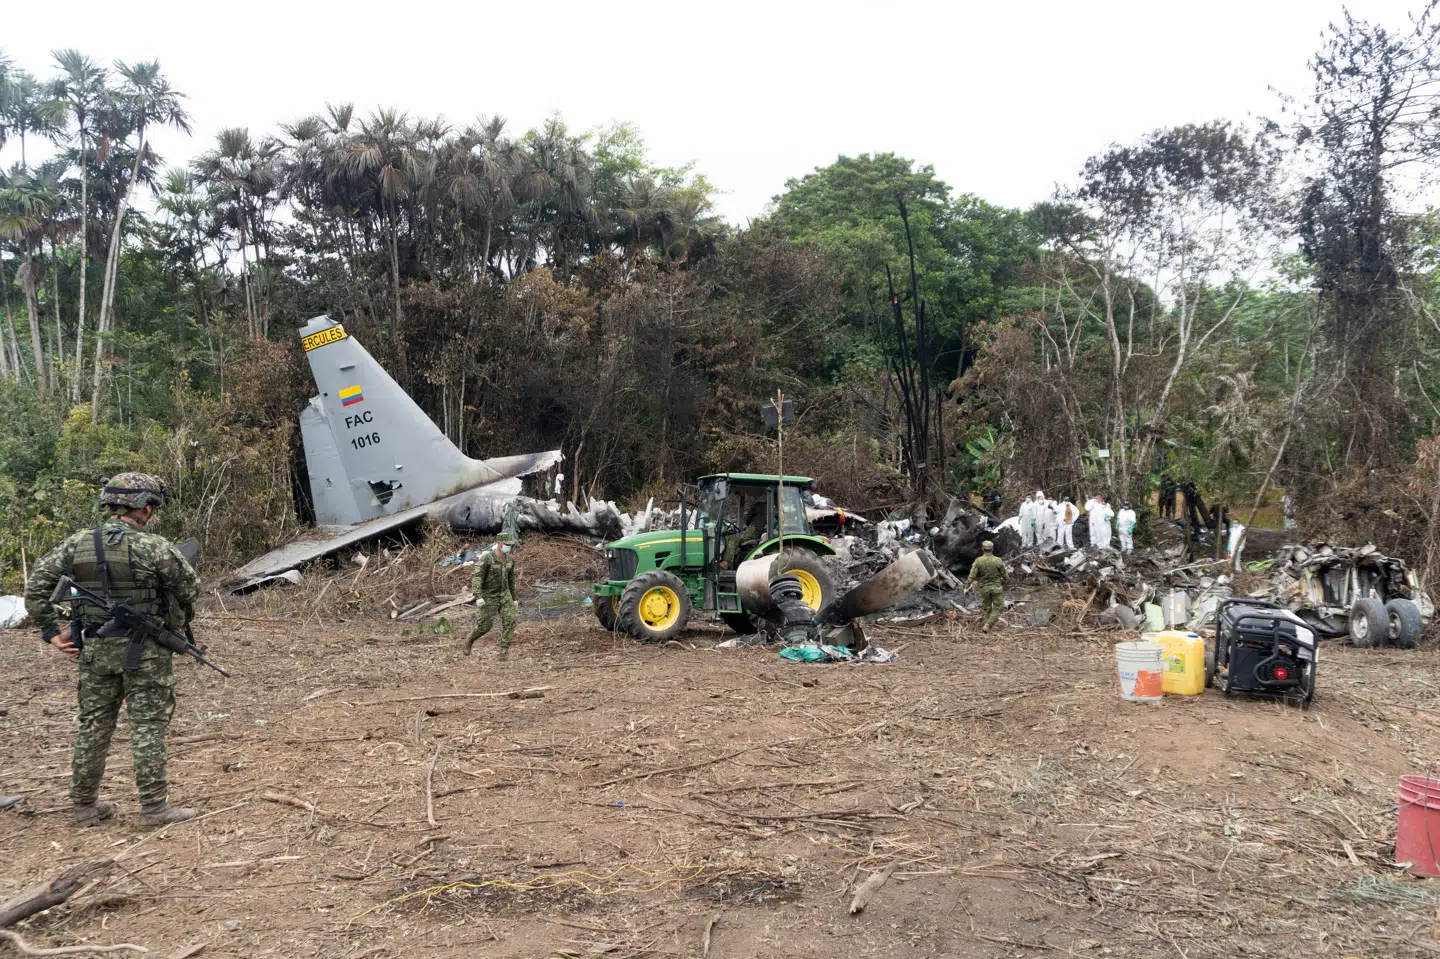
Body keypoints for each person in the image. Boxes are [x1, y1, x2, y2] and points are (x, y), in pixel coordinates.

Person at [23, 473, 200, 828]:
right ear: (145, 508)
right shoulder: (155, 547)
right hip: (146, 651)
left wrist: (51, 633)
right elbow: (190, 591)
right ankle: (153, 808)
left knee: (94, 725)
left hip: (95, 649)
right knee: (147, 726)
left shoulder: (76, 545)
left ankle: (84, 806)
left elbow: (35, 591)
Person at [463, 532, 519, 659]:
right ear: (499, 543)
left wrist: (514, 598)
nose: (508, 547)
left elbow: (511, 580)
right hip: (488, 596)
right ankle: (470, 638)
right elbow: (477, 576)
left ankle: (504, 651)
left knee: (511, 619)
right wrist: (478, 596)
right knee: (485, 626)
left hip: (504, 595)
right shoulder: (487, 558)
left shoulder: (510, 560)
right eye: (506, 544)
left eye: (510, 545)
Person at [966, 541, 1009, 632]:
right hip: (996, 588)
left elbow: (972, 575)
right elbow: (1005, 575)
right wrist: (1007, 581)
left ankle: (986, 626)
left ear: (983, 549)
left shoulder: (978, 561)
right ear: (992, 549)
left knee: (987, 607)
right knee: (998, 606)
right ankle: (988, 625)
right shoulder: (998, 560)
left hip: (984, 588)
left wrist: (966, 585)